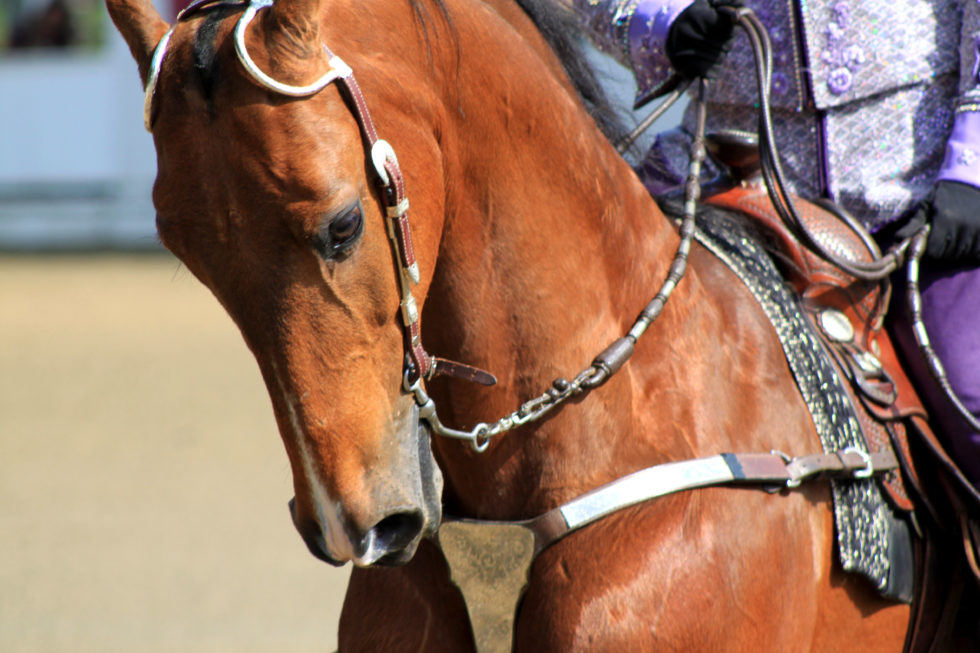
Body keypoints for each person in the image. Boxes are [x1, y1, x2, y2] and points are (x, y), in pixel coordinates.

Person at [569, 0, 980, 487]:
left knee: (971, 405)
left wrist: (972, 167)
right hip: (722, 190)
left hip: (921, 204)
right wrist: (660, 20)